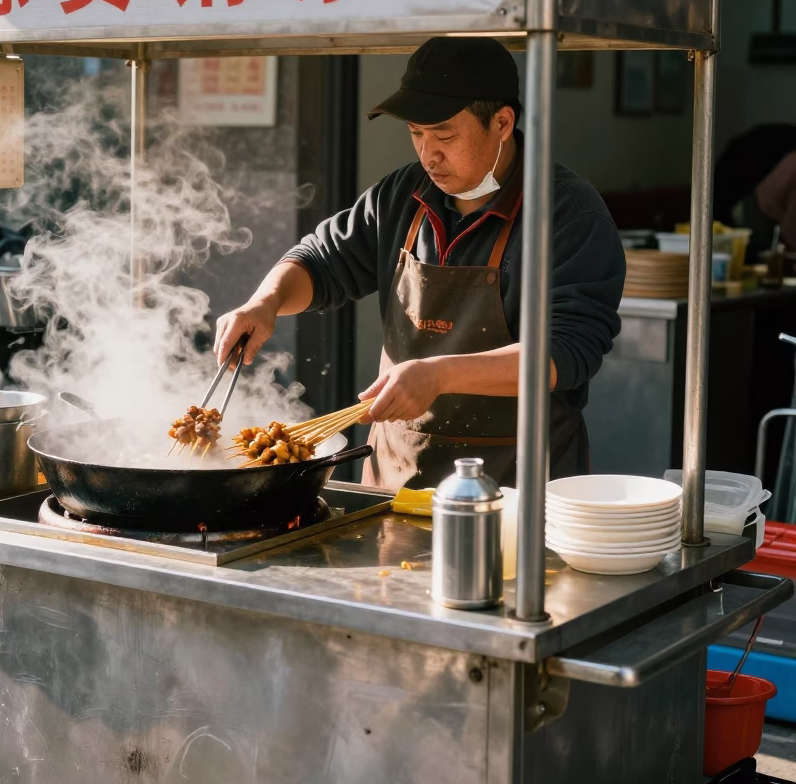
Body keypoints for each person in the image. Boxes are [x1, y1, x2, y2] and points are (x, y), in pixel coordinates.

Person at [215, 37, 626, 490]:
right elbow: (322, 260)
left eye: (445, 135)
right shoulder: (401, 196)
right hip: (396, 478)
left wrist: (441, 374)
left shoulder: (568, 214)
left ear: (503, 122)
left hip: (518, 488)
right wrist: (266, 302)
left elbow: (567, 352)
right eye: (416, 133)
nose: (428, 154)